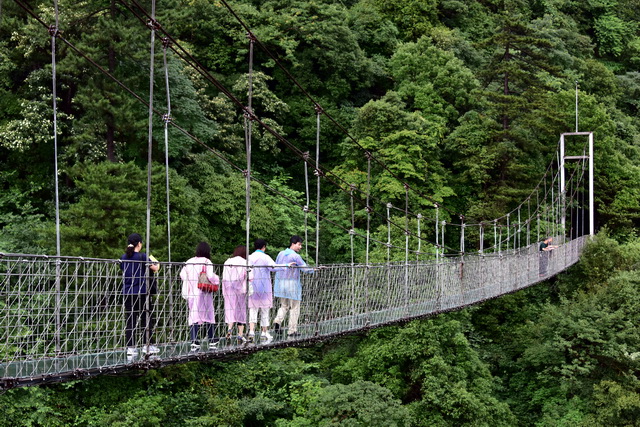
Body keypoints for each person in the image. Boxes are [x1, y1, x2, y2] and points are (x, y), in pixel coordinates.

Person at [120, 233, 160, 357]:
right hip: (142, 292)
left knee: (130, 320)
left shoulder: (123, 257)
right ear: (139, 244)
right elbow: (156, 268)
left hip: (128, 292)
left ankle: (131, 348)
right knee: (146, 319)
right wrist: (154, 259)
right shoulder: (142, 257)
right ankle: (147, 345)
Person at [247, 239, 292, 342]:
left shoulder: (249, 258)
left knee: (253, 310)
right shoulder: (265, 257)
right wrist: (286, 266)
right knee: (265, 310)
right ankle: (264, 332)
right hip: (265, 288)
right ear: (264, 247)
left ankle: (251, 331)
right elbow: (274, 267)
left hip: (252, 287)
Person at [180, 241, 221, 351]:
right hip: (203, 292)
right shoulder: (207, 261)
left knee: (193, 315)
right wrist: (217, 280)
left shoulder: (189, 261)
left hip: (191, 292)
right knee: (209, 314)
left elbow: (182, 275)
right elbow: (211, 276)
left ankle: (194, 341)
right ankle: (212, 339)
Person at [273, 235, 312, 338]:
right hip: (292, 284)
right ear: (293, 244)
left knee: (284, 306)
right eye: (299, 244)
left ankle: (277, 321)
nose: (300, 247)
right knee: (295, 307)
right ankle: (292, 331)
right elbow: (305, 269)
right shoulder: (295, 256)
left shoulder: (280, 254)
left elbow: (276, 266)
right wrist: (315, 269)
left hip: (280, 283)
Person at [222, 245, 252, 343]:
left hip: (228, 289)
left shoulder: (228, 261)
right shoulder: (245, 262)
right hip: (240, 289)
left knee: (230, 309)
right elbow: (250, 276)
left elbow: (224, 276)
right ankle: (240, 334)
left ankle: (229, 329)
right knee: (241, 310)